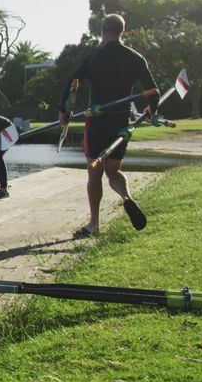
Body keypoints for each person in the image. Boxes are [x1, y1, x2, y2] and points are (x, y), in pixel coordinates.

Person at [60, 13, 157, 237]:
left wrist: (64, 109)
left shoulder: (93, 57)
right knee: (114, 171)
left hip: (97, 122)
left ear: (102, 30)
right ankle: (126, 197)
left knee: (94, 173)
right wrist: (153, 107)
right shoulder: (135, 57)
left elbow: (71, 84)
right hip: (120, 121)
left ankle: (94, 224)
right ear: (123, 31)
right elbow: (154, 90)